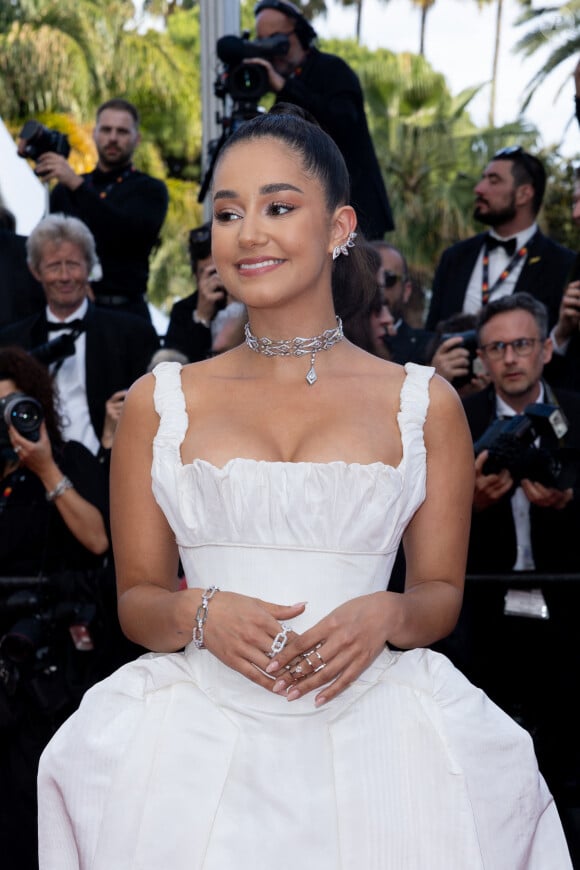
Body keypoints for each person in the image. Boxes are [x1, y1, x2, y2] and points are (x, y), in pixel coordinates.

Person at [37, 109, 572, 869]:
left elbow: (439, 595)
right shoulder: (162, 402)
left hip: (382, 731)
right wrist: (200, 613)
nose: (247, 232)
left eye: (278, 207)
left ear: (338, 227)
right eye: (227, 213)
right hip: (193, 738)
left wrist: (388, 611)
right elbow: (139, 603)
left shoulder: (424, 404)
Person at [438, 293, 580, 857]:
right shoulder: (457, 419)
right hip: (482, 612)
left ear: (546, 348)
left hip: (567, 609)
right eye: (497, 347)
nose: (511, 358)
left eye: (522, 344)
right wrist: (464, 504)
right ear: (483, 357)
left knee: (566, 756)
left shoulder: (575, 413)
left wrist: (569, 503)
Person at [0, 346, 109, 870]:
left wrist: (44, 469)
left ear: (38, 404)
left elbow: (98, 540)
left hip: (52, 665)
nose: (9, 420)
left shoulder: (70, 461)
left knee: (38, 799)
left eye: (15, 405)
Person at [0, 214, 159, 458]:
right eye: (54, 266)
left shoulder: (132, 334)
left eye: (73, 264)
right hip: (31, 476)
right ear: (35, 271)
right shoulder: (12, 342)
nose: (64, 277)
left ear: (89, 267)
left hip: (111, 472)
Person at [250, 0, 394, 239]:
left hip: (355, 211)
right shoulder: (283, 84)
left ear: (298, 35)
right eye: (261, 41)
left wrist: (286, 86)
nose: (270, 49)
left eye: (275, 39)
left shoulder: (333, 69)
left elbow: (342, 123)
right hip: (315, 213)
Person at [30, 98, 168, 321]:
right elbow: (43, 246)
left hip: (126, 312)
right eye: (106, 130)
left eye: (122, 131)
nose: (112, 138)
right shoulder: (65, 190)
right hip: (71, 311)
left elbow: (128, 234)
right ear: (94, 134)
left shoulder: (150, 189)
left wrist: (76, 185)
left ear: (137, 138)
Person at [426, 146, 575, 334]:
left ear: (524, 194)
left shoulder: (562, 264)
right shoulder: (455, 257)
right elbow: (430, 333)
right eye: (483, 179)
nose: (479, 189)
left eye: (493, 181)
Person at [164, 221, 244, 362]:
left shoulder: (251, 302)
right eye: (209, 273)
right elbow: (175, 368)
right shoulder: (183, 311)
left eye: (219, 271)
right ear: (196, 276)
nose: (216, 280)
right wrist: (201, 317)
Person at [370, 239, 434, 364]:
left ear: (406, 290)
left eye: (388, 279)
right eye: (369, 279)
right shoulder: (338, 343)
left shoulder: (430, 348)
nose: (379, 289)